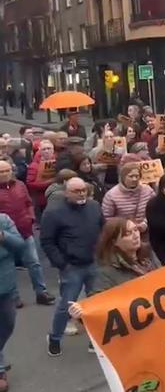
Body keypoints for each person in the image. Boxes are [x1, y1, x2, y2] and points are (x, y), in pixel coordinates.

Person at [41, 178, 104, 356]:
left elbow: (103, 229)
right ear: (66, 193)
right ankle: (54, 338)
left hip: (94, 263)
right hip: (72, 267)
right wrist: (62, 263)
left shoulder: (94, 207)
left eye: (83, 190)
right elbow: (47, 241)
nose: (81, 193)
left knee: (95, 304)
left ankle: (95, 340)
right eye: (76, 191)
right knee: (66, 306)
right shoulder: (54, 213)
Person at [0, 160, 54, 307]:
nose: (5, 174)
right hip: (6, 236)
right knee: (9, 267)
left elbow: (28, 203)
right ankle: (14, 297)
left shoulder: (20, 185)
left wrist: (31, 217)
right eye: (1, 171)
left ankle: (41, 292)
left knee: (34, 263)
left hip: (25, 231)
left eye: (7, 170)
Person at [0, 212, 26, 390]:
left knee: (8, 324)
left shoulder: (3, 220)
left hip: (5, 286)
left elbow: (19, 245)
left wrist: (3, 236)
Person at [102, 163, 155, 235]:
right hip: (123, 235)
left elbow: (156, 211)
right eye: (131, 176)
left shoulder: (148, 191)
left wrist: (145, 223)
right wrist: (125, 227)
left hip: (147, 234)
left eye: (137, 176)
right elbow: (107, 218)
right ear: (123, 177)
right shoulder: (111, 195)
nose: (134, 179)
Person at [26, 139, 55, 217]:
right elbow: (30, 184)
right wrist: (49, 183)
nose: (46, 151)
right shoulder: (34, 166)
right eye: (44, 149)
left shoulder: (58, 162)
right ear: (40, 151)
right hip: (42, 199)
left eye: (49, 148)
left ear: (53, 150)